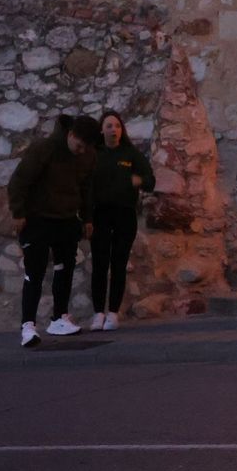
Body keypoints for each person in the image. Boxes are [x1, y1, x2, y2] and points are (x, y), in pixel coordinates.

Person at [8, 114, 103, 347]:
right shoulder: (44, 149)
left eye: (86, 148)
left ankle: (59, 318)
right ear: (71, 135)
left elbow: (86, 188)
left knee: (64, 268)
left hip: (66, 218)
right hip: (37, 218)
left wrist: (87, 218)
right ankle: (28, 326)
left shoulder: (88, 155)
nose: (81, 151)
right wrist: (18, 213)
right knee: (35, 272)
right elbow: (19, 182)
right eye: (79, 146)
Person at [87, 111, 155, 331]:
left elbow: (150, 180)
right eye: (109, 126)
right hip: (100, 214)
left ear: (121, 130)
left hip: (124, 214)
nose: (113, 130)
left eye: (117, 126)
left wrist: (138, 180)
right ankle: (98, 313)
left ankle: (113, 313)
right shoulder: (93, 154)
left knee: (118, 263)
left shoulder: (130, 153)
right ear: (101, 130)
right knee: (99, 264)